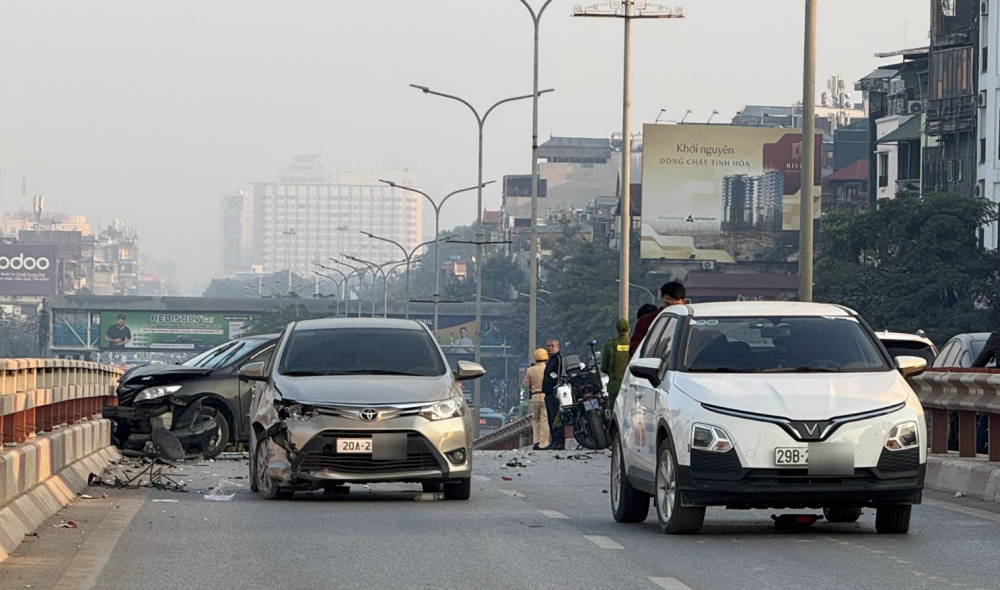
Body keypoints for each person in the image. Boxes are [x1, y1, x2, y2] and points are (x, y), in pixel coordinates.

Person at [629, 281, 686, 358]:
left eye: (676, 305)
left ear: (683, 301)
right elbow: (635, 348)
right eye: (667, 304)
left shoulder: (690, 322)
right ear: (661, 298)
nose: (671, 308)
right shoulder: (646, 321)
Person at [523, 348, 550, 450]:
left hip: (534, 397)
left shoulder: (530, 370)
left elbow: (526, 385)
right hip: (545, 396)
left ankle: (536, 441)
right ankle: (543, 443)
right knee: (544, 419)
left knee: (535, 420)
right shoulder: (547, 369)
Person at [541, 338, 565, 450]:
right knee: (551, 418)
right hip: (547, 393)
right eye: (548, 346)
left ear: (557, 347)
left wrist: (556, 389)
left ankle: (559, 441)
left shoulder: (558, 359)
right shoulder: (550, 360)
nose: (550, 348)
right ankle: (554, 440)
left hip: (554, 393)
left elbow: (559, 376)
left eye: (552, 346)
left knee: (556, 418)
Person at [601, 318, 630, 410]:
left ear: (616, 330)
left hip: (614, 386)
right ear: (629, 329)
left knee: (614, 413)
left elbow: (604, 368)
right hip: (630, 386)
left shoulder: (610, 344)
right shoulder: (634, 343)